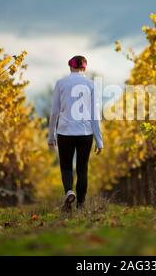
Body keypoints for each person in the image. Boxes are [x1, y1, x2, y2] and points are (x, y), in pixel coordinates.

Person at [48, 55, 103, 212]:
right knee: (82, 168)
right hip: (85, 132)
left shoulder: (61, 83)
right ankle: (81, 205)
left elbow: (54, 112)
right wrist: (99, 141)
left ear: (70, 67)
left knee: (66, 166)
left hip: (65, 131)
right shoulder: (91, 84)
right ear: (84, 68)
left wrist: (51, 135)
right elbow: (95, 115)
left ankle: (69, 191)